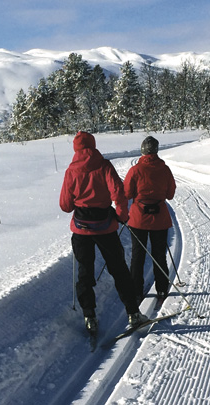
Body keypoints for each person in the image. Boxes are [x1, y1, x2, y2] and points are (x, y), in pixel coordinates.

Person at [60, 131, 148, 335]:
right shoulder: (104, 165)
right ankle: (133, 313)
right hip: (105, 227)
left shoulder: (71, 171)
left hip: (81, 229)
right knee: (119, 270)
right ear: (93, 144)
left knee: (85, 272)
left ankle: (89, 315)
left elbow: (65, 205)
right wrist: (122, 216)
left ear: (75, 148)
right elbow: (119, 193)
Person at [124, 136, 177, 305]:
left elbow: (127, 194)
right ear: (156, 151)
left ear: (142, 151)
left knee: (137, 257)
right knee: (159, 255)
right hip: (160, 218)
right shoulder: (165, 169)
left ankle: (136, 292)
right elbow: (170, 194)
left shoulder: (135, 170)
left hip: (138, 219)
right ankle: (162, 289)